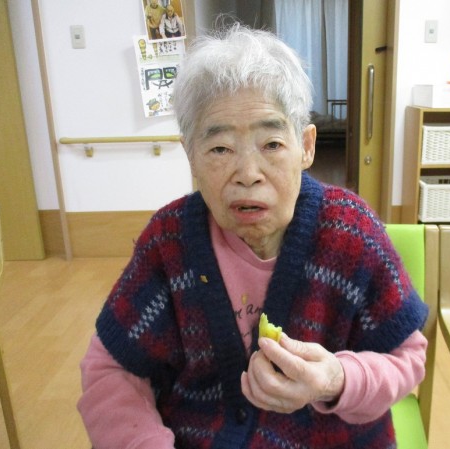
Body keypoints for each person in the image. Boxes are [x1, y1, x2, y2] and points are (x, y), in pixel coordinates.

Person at [77, 23, 429, 449]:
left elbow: (405, 357)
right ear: (191, 156)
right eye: (220, 149)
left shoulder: (352, 234)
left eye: (272, 144)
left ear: (306, 146)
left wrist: (336, 379)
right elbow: (112, 368)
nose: (247, 174)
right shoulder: (169, 243)